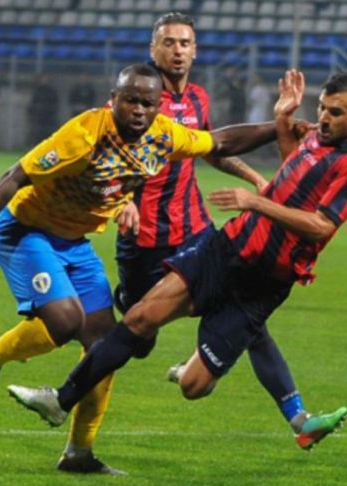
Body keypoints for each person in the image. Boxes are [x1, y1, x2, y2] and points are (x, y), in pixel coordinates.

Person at [0, 64, 283, 474]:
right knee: (64, 321)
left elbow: (221, 141)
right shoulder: (83, 135)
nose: (139, 110)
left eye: (148, 103)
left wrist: (281, 127)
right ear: (113, 99)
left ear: (159, 106)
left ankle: (78, 453)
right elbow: (14, 176)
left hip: (75, 243)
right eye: (130, 100)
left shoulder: (164, 135)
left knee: (104, 345)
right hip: (28, 231)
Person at [7, 72, 347, 455]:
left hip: (265, 281)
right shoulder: (317, 137)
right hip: (226, 248)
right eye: (322, 108)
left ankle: (255, 398)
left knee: (193, 387)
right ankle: (60, 400)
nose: (324, 118)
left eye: (335, 112)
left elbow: (321, 226)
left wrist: (255, 202)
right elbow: (292, 168)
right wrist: (283, 118)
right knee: (139, 318)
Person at [114, 12, 326, 450]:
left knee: (247, 315)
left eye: (185, 43)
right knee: (138, 337)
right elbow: (112, 154)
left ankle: (299, 416)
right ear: (153, 49)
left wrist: (253, 177)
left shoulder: (198, 98)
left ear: (195, 51)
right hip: (145, 238)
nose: (177, 50)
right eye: (168, 42)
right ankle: (137, 317)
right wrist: (123, 200)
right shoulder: (137, 97)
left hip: (195, 229)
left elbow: (212, 148)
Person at [25, 73, 58, 145]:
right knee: (38, 137)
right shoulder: (37, 91)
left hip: (48, 118)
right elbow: (33, 103)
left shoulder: (51, 91)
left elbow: (54, 103)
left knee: (48, 136)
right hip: (38, 119)